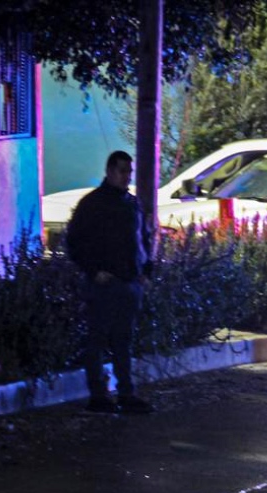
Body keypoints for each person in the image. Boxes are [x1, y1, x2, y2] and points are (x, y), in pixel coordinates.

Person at [66, 150, 155, 414]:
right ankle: (99, 395)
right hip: (105, 283)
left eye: (129, 171)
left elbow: (144, 238)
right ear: (109, 171)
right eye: (122, 171)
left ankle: (126, 394)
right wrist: (94, 271)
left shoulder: (132, 203)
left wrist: (145, 271)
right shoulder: (93, 204)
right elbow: (75, 242)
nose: (126, 176)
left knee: (123, 340)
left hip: (130, 281)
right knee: (98, 339)